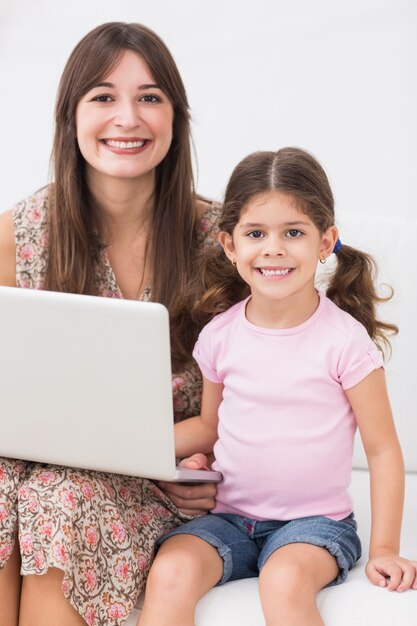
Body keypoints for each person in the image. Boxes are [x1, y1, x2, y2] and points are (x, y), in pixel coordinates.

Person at [137, 147, 417, 626]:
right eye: (255, 234)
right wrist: (134, 448)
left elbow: (384, 450)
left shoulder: (345, 342)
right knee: (171, 570)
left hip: (315, 526)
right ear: (230, 245)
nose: (274, 249)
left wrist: (385, 549)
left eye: (293, 233)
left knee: (283, 580)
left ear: (326, 241)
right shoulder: (220, 336)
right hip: (228, 519)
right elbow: (209, 425)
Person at [0, 22, 220, 626]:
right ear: (70, 117)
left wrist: (217, 468)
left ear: (176, 117)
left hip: (160, 487)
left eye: (150, 97)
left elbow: (281, 384)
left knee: (57, 498)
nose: (128, 118)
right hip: (37, 472)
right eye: (103, 96)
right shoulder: (18, 232)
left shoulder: (226, 242)